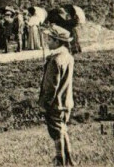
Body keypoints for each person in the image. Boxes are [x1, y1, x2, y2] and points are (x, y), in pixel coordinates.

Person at [39, 25, 76, 167]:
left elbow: (50, 87)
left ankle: (60, 161)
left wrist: (44, 104)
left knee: (56, 133)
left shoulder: (54, 60)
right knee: (63, 129)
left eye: (49, 39)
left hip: (56, 103)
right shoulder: (68, 56)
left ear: (56, 41)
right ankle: (69, 160)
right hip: (66, 102)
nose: (47, 42)